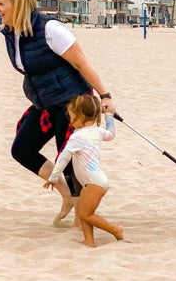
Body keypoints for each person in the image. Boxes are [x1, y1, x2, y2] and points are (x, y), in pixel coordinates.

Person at [0, 0, 116, 227]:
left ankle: (80, 219)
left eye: (0, 3)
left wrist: (105, 96)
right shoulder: (13, 32)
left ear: (17, 5)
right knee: (22, 150)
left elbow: (82, 64)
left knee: (73, 163)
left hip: (72, 105)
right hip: (44, 103)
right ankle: (66, 195)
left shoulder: (50, 29)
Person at [45, 95, 123, 247]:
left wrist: (54, 177)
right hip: (95, 181)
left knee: (86, 214)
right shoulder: (97, 132)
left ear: (81, 116)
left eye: (72, 117)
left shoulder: (77, 137)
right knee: (83, 212)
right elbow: (111, 135)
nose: (70, 121)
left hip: (94, 183)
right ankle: (89, 241)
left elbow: (63, 158)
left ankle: (115, 230)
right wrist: (109, 116)